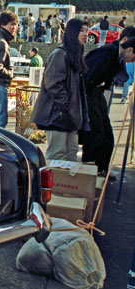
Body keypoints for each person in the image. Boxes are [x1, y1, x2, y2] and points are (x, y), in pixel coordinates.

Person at [30, 19, 90, 162]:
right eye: (82, 31)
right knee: (57, 154)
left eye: (87, 31)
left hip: (69, 116)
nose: (85, 34)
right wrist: (67, 105)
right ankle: (53, 184)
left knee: (72, 153)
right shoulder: (60, 54)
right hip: (58, 115)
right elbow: (52, 84)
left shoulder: (75, 55)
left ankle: (65, 184)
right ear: (72, 32)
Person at [80, 28, 135, 178]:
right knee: (95, 132)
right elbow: (87, 75)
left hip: (97, 93)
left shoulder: (118, 57)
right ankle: (88, 169)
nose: (133, 61)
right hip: (88, 92)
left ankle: (101, 168)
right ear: (130, 48)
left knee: (107, 135)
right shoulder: (108, 52)